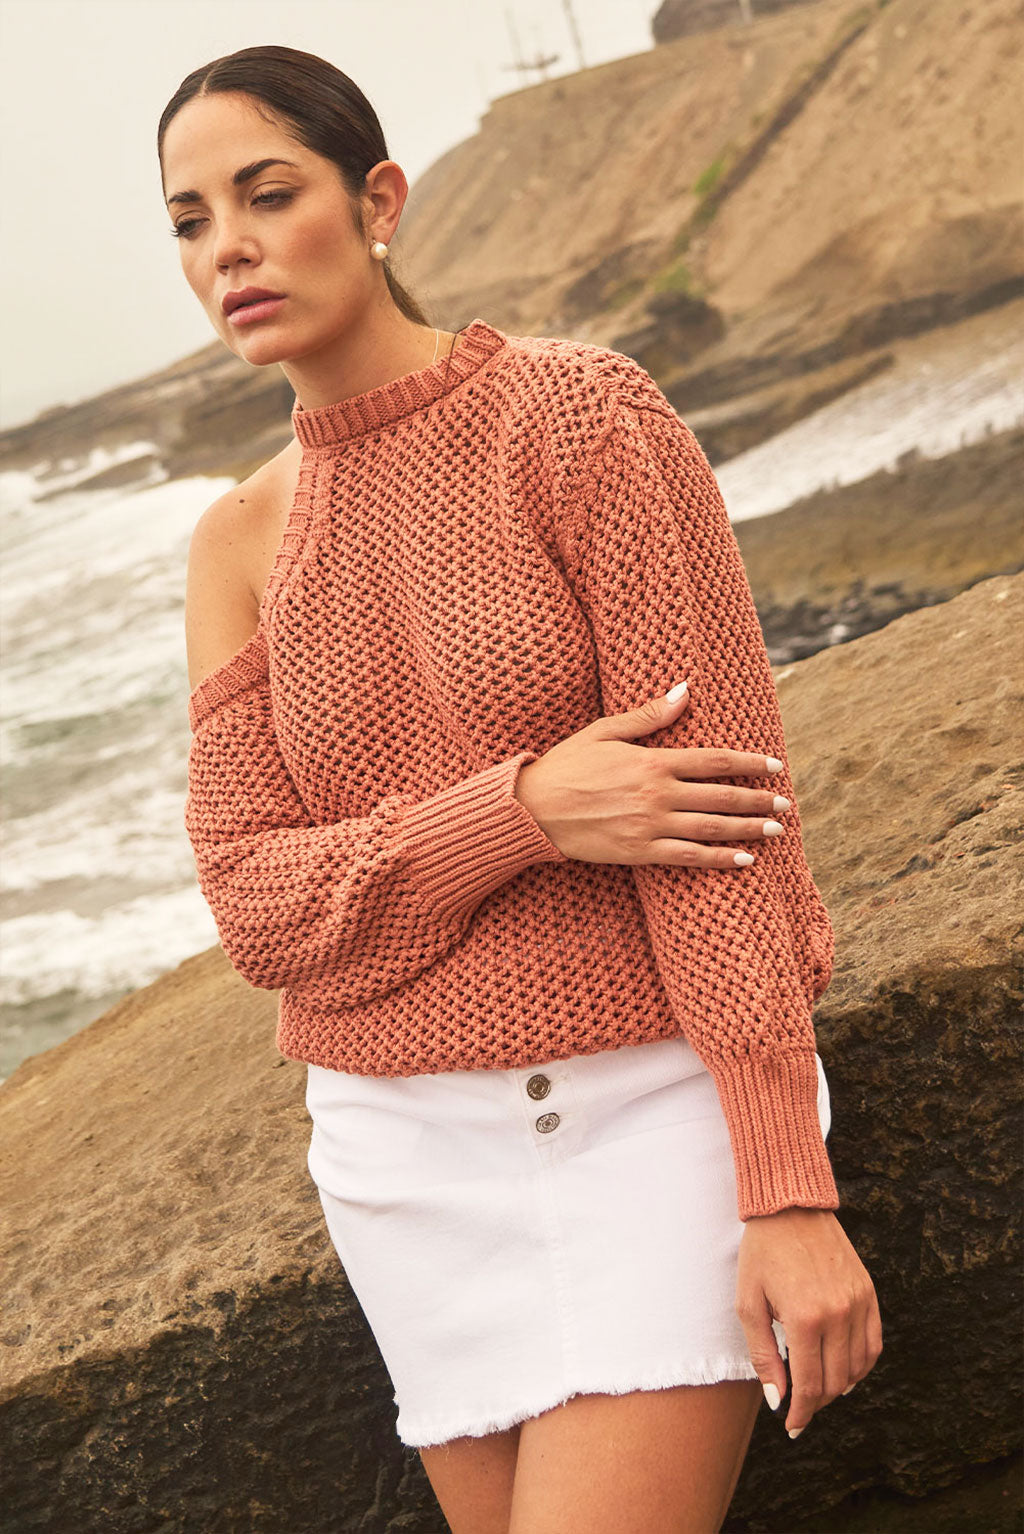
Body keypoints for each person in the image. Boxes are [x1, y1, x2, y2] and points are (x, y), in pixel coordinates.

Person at [160, 43, 882, 1534]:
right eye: (189, 218)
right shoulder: (236, 544)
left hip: (651, 1114)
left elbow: (728, 824)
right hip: (409, 1164)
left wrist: (785, 1183)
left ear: (379, 202)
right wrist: (527, 810)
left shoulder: (579, 420)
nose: (227, 245)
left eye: (267, 194)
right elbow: (255, 904)